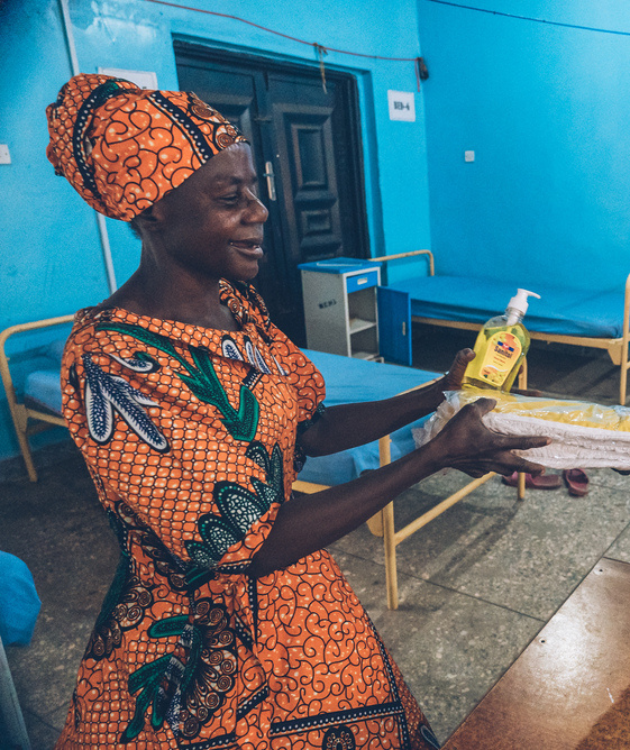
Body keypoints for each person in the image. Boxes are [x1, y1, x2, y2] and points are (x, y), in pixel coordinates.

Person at [46, 73, 549, 750]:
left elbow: (309, 427)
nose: (259, 212)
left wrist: (438, 393)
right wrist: (434, 455)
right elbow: (245, 545)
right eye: (231, 198)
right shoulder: (113, 362)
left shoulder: (239, 308)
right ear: (152, 212)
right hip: (194, 653)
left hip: (299, 600)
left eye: (256, 190)